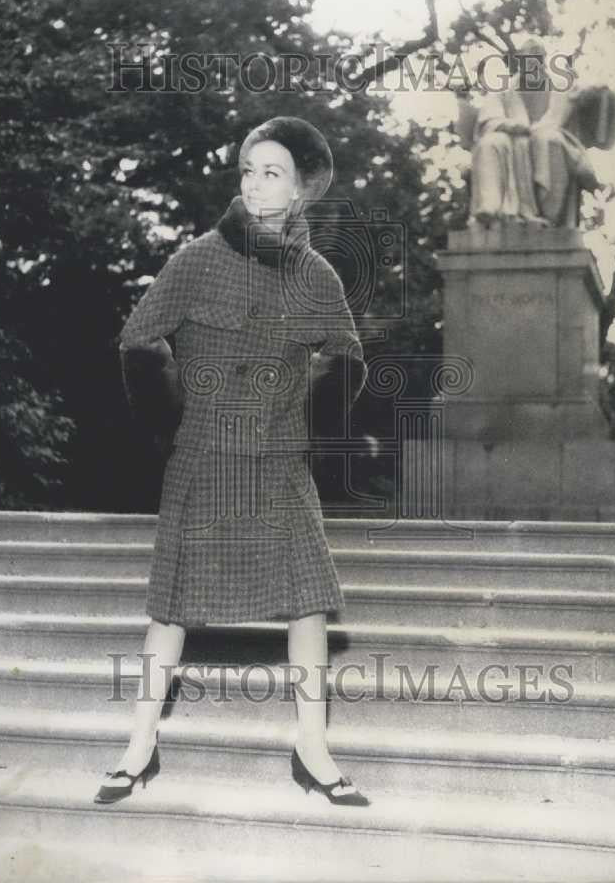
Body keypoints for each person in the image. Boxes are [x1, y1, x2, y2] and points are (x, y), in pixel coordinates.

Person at [94, 117, 370, 807]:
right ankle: (140, 741)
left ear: (302, 189)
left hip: (279, 461)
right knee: (170, 608)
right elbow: (137, 341)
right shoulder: (195, 258)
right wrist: (171, 423)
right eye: (247, 170)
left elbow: (346, 359)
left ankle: (312, 746)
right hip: (203, 455)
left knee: (309, 604)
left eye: (270, 172)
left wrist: (308, 422)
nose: (253, 183)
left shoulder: (317, 277)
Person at [465, 37, 615, 228]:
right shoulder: (504, 90)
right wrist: (513, 126)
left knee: (547, 140)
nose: (533, 65)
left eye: (537, 59)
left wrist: (598, 89)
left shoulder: (560, 88)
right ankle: (490, 207)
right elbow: (488, 120)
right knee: (490, 143)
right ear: (520, 62)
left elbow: (588, 94)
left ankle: (547, 214)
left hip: (550, 138)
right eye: (528, 60)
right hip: (510, 140)